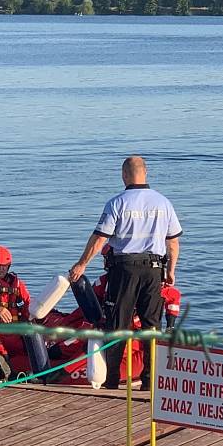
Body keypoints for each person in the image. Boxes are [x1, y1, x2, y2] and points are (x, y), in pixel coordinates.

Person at [69, 156, 182, 390]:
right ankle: (150, 381)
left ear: (124, 175)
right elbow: (173, 242)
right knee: (152, 326)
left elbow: (100, 238)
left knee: (117, 325)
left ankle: (111, 379)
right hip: (153, 271)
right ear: (146, 173)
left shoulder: (117, 203)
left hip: (124, 270)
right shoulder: (163, 203)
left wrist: (82, 264)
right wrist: (171, 270)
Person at [0, 245, 32, 377]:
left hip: (15, 330)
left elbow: (27, 304)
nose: (0, 269)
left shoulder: (17, 283)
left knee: (34, 339)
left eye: (4, 266)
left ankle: (40, 368)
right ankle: (6, 370)